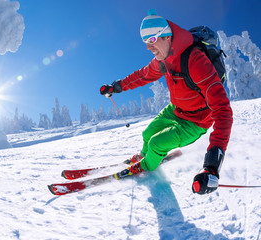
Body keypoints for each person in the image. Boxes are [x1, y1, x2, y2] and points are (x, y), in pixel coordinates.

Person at [100, 9, 233, 195]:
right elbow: (142, 75)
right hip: (176, 110)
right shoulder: (163, 59)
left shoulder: (196, 60)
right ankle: (146, 156)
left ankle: (147, 165)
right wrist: (117, 87)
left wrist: (212, 165)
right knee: (147, 134)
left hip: (196, 121)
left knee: (155, 143)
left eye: (152, 40)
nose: (148, 47)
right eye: (146, 42)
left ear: (166, 36)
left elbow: (223, 111)